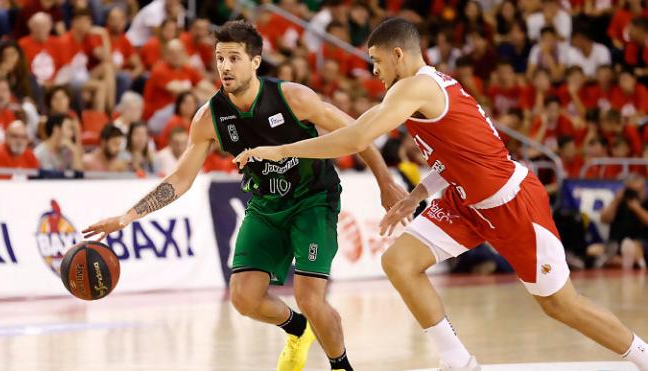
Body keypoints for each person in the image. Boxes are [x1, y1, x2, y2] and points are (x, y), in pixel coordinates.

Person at [234, 18, 648, 371]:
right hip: (463, 200)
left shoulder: (415, 88)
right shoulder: (421, 90)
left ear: (399, 55)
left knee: (561, 305)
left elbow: (357, 135)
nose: (374, 71)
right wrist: (417, 195)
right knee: (399, 261)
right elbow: (454, 154)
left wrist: (282, 149)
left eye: (376, 61)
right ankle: (458, 361)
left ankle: (642, 356)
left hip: (511, 205)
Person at [82, 20, 405, 371]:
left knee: (310, 298)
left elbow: (358, 133)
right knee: (243, 298)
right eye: (220, 58)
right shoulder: (210, 117)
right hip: (265, 207)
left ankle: (341, 366)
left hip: (312, 200)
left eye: (234, 58)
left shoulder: (292, 97)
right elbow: (180, 178)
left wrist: (385, 183)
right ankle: (298, 330)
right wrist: (128, 216)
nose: (224, 66)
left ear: (255, 61)